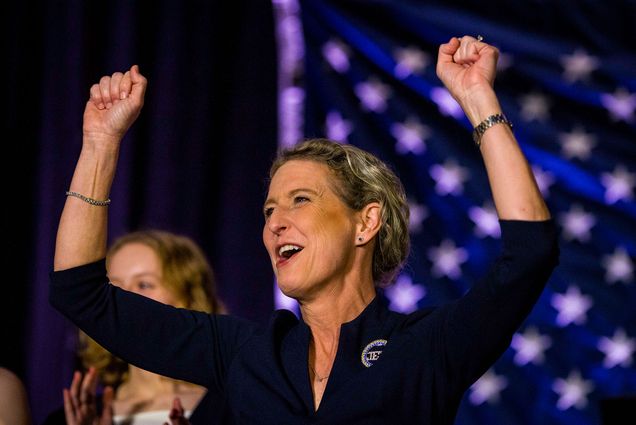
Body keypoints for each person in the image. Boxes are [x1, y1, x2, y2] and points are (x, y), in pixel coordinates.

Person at [50, 35, 559, 424]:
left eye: (300, 200)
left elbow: (530, 252)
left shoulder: (426, 347)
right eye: (268, 210)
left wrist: (478, 99)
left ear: (366, 222)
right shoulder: (245, 355)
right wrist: (99, 144)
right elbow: (82, 294)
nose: (275, 223)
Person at [49, 231, 224, 424]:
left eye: (144, 284)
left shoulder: (235, 408)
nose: (124, 298)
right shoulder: (72, 417)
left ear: (188, 298)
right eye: (113, 288)